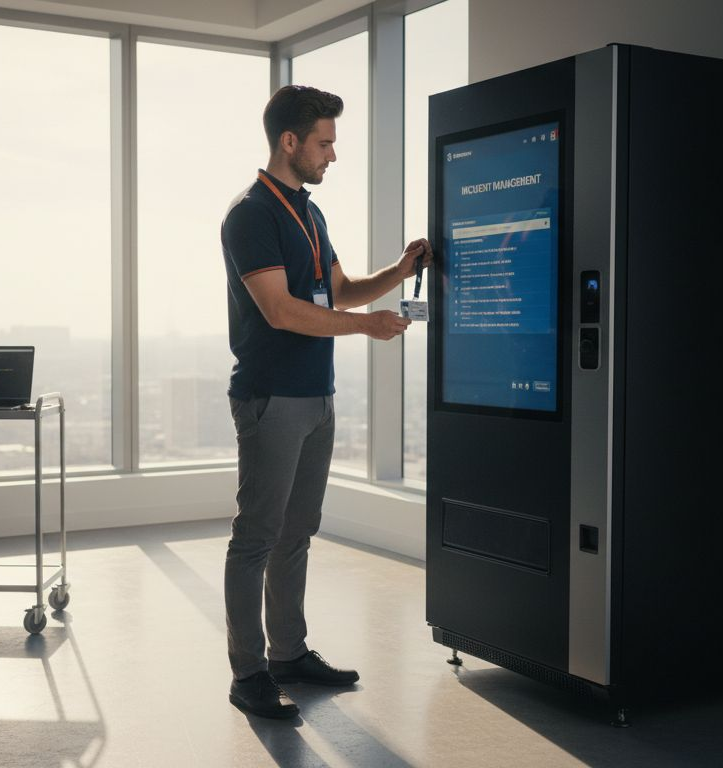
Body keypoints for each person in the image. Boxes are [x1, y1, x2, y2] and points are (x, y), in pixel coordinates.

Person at [220, 84, 433, 719]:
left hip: (317, 397)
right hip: (271, 398)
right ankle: (249, 674)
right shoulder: (251, 214)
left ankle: (288, 653)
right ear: (289, 141)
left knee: (296, 534)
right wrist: (368, 328)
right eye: (324, 142)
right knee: (256, 538)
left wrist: (398, 270)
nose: (332, 154)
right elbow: (281, 310)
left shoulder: (309, 214)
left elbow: (338, 290)